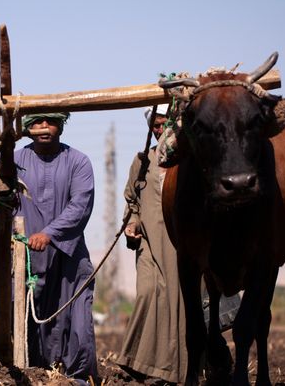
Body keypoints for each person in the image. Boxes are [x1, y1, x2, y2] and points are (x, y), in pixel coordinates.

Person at [0, 112, 98, 383]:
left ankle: (76, 379)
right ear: (27, 128)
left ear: (61, 125)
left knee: (78, 324)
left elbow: (80, 206)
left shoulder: (79, 162)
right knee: (16, 320)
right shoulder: (15, 160)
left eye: (50, 122)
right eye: (36, 122)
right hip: (23, 258)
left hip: (66, 255)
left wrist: (49, 234)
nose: (43, 127)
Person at [117, 104, 187, 384]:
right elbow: (132, 199)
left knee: (177, 300)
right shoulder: (143, 160)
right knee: (147, 293)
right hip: (148, 240)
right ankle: (139, 361)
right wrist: (132, 223)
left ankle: (171, 370)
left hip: (179, 242)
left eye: (165, 123)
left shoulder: (189, 160)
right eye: (155, 126)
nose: (160, 130)